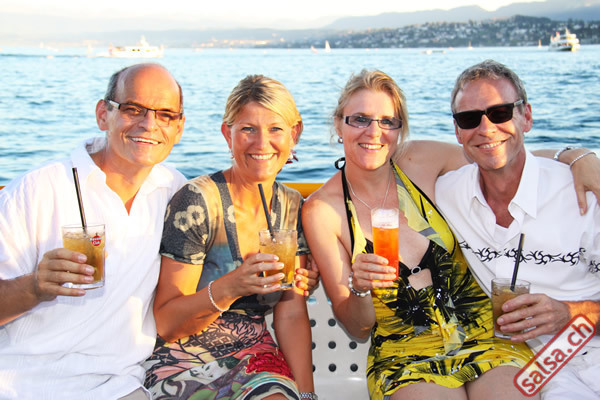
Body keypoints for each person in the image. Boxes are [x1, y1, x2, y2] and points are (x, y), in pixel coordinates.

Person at [302, 69, 539, 400]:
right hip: (405, 356)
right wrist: (360, 288)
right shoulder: (323, 211)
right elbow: (357, 327)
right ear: (339, 124)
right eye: (360, 119)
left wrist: (576, 156)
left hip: (488, 337)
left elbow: (506, 157)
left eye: (388, 121)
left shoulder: (419, 161)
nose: (374, 132)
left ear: (399, 130)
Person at [0, 63, 187, 399]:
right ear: (104, 114)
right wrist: (34, 286)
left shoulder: (177, 192)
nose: (149, 124)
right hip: (20, 381)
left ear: (178, 128)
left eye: (165, 114)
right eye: (133, 109)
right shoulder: (36, 190)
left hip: (119, 384)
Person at [143, 75, 316, 400]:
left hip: (256, 352)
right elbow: (166, 323)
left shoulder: (292, 208)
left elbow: (291, 312)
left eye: (275, 129)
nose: (262, 143)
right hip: (182, 358)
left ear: (294, 134)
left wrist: (307, 395)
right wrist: (231, 287)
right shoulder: (198, 203)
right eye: (248, 129)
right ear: (228, 134)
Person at [436, 59, 600, 399]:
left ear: (526, 116)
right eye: (469, 119)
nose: (486, 129)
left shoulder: (584, 194)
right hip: (525, 363)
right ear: (457, 131)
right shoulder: (447, 194)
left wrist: (569, 313)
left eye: (500, 113)